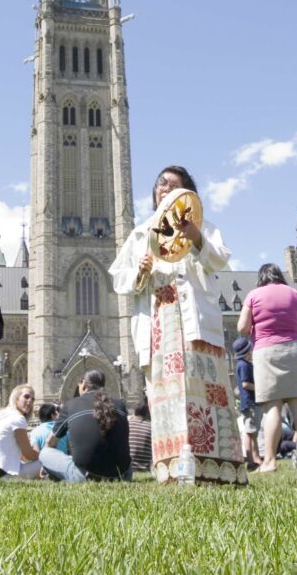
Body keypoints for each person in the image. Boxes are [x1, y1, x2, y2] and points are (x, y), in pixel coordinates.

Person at [110, 165, 246, 485]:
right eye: (160, 184)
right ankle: (172, 472)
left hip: (194, 322)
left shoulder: (204, 226)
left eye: (173, 185)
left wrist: (196, 236)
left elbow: (219, 260)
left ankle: (218, 471)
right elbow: (119, 279)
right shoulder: (141, 233)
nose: (164, 188)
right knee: (165, 396)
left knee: (205, 392)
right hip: (160, 324)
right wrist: (140, 271)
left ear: (187, 193)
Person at [236, 264, 297, 472]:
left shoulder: (253, 295)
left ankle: (270, 461)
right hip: (295, 349)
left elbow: (242, 328)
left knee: (273, 406)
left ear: (261, 277)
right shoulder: (295, 294)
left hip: (267, 350)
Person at [40, 369, 131, 482]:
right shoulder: (120, 404)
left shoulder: (71, 405)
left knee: (44, 453)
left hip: (85, 476)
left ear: (83, 384)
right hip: (122, 476)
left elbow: (50, 442)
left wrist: (48, 465)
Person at [0, 385, 41, 478]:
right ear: (16, 398)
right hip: (1, 474)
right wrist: (42, 454)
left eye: (32, 399)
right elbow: (28, 454)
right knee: (46, 461)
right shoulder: (18, 418)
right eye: (26, 397)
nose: (30, 401)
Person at [231, 338, 263, 469]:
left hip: (249, 403)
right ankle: (251, 460)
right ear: (247, 351)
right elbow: (245, 384)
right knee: (250, 433)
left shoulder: (243, 364)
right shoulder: (243, 365)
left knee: (253, 432)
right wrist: (260, 388)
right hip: (250, 403)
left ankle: (256, 458)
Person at [127, 396, 153, 473]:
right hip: (145, 468)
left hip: (129, 467)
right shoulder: (151, 426)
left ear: (135, 411)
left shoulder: (127, 424)